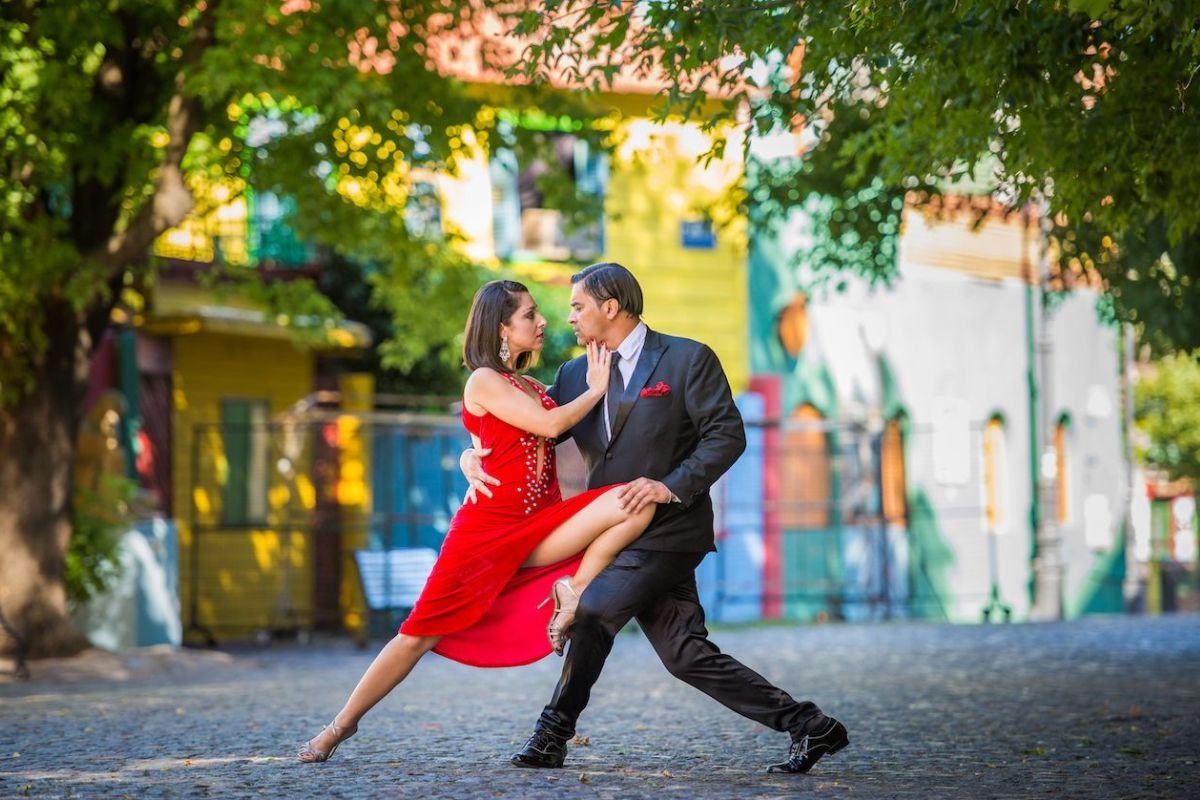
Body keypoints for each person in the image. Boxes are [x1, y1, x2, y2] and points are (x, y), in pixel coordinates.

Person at [462, 262, 849, 775]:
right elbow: (527, 432)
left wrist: (669, 486)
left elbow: (727, 435)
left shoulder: (688, 359)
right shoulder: (574, 375)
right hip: (613, 533)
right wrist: (472, 454)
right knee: (685, 653)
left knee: (594, 609)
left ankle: (550, 735)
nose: (570, 318)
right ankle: (812, 726)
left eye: (578, 306)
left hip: (671, 530)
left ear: (610, 307)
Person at [297, 279, 655, 763]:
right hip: (486, 534)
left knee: (637, 501)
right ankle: (339, 727)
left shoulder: (529, 385)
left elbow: (508, 433)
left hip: (543, 524)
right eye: (530, 314)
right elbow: (550, 426)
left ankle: (572, 590)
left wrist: (472, 453)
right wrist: (595, 389)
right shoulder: (482, 379)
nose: (543, 320)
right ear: (501, 328)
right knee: (416, 636)